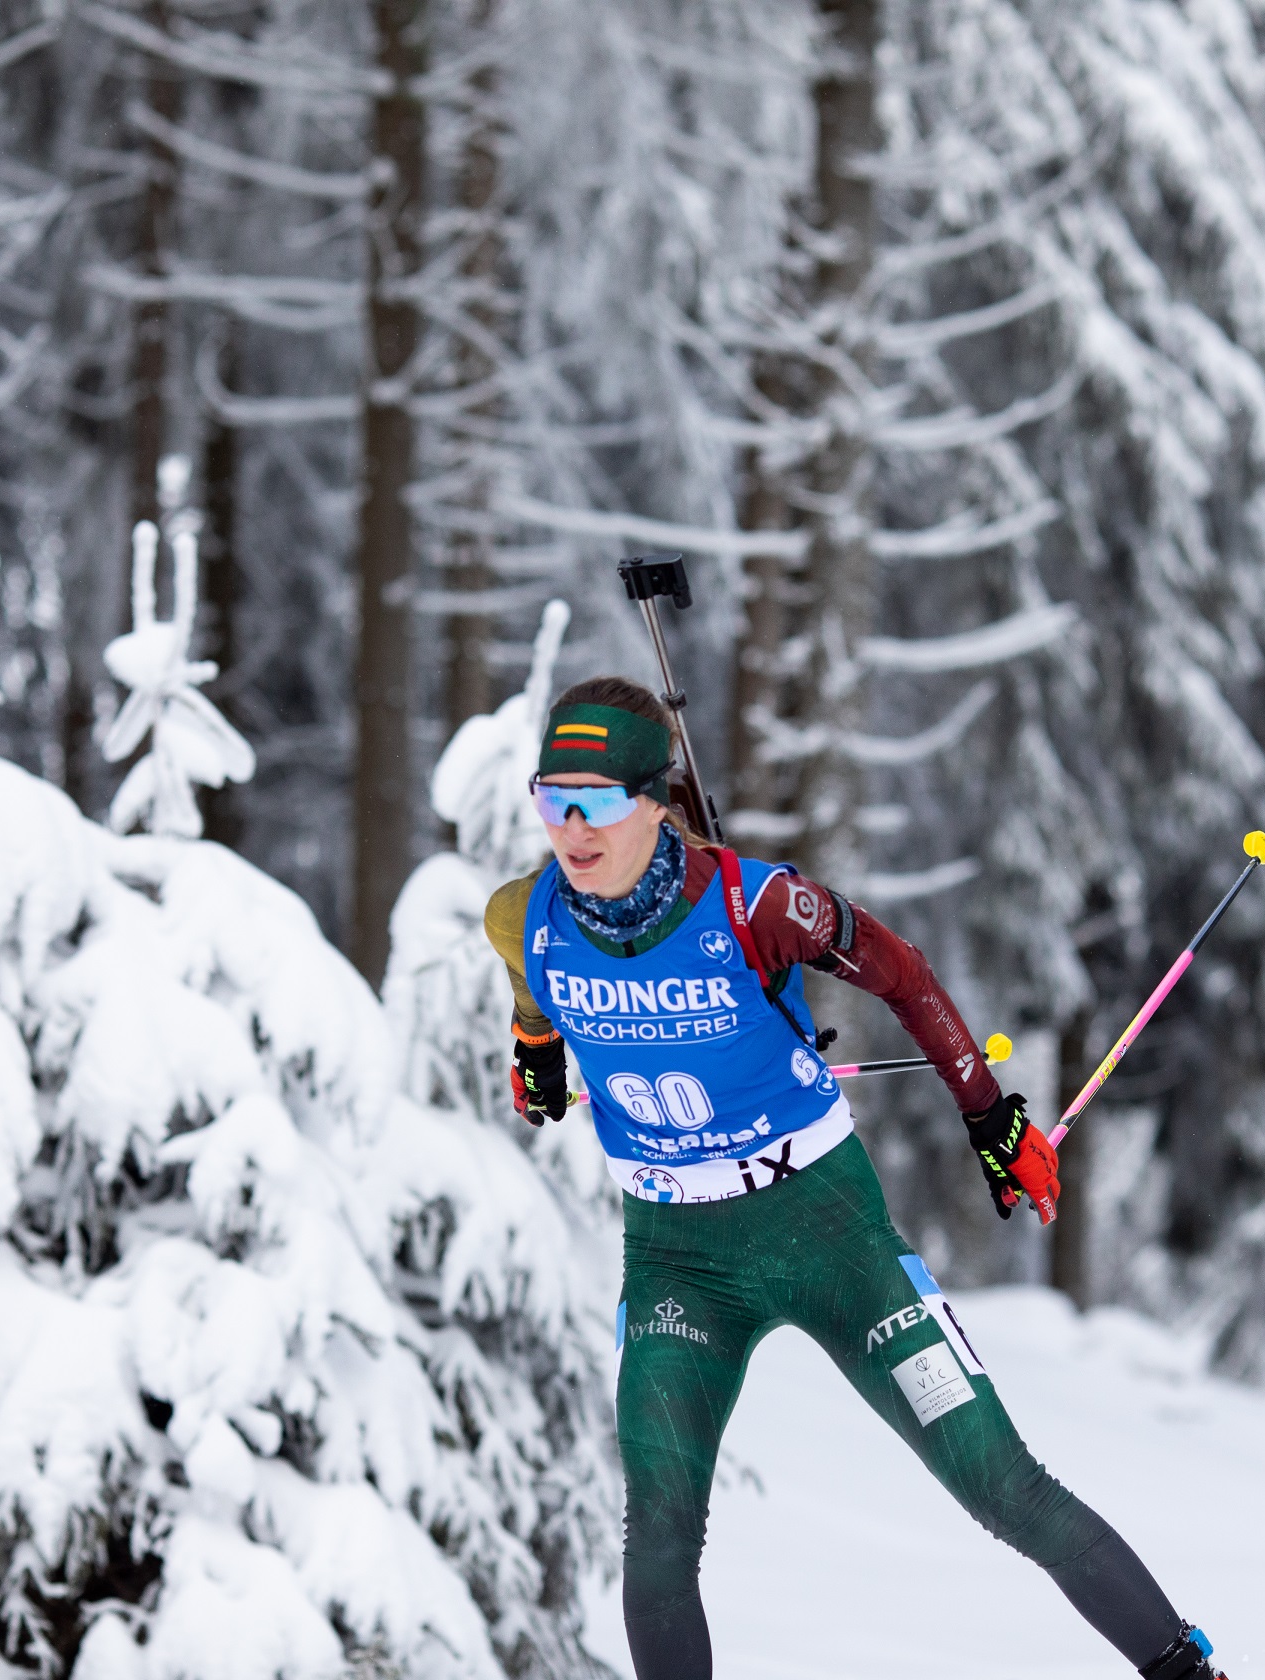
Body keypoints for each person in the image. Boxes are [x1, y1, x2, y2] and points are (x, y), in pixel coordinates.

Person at [482, 676, 1227, 1680]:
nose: (571, 828)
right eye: (551, 798)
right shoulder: (522, 913)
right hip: (676, 1262)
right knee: (658, 1536)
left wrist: (994, 1119)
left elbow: (903, 972)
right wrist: (535, 1048)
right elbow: (532, 977)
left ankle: (1187, 1670)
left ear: (657, 802)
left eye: (599, 800)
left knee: (999, 1485)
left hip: (828, 1233)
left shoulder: (757, 903)